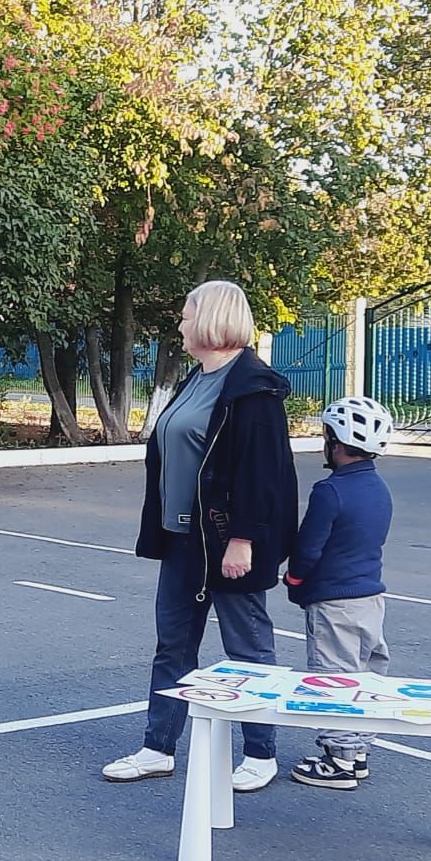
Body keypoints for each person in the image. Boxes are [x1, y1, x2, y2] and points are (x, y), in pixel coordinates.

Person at [103, 280, 298, 792]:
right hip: (183, 539)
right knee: (173, 646)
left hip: (228, 542)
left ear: (212, 319)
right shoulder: (198, 378)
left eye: (187, 315)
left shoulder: (253, 387)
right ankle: (157, 748)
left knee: (248, 650)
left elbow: (263, 474)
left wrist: (243, 541)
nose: (181, 324)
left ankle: (260, 753)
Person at [284, 396, 394, 789]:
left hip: (333, 600)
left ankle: (340, 761)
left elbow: (309, 547)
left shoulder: (329, 491)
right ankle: (358, 749)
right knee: (366, 674)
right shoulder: (378, 488)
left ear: (336, 442)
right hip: (370, 597)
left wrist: (294, 581)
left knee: (334, 676)